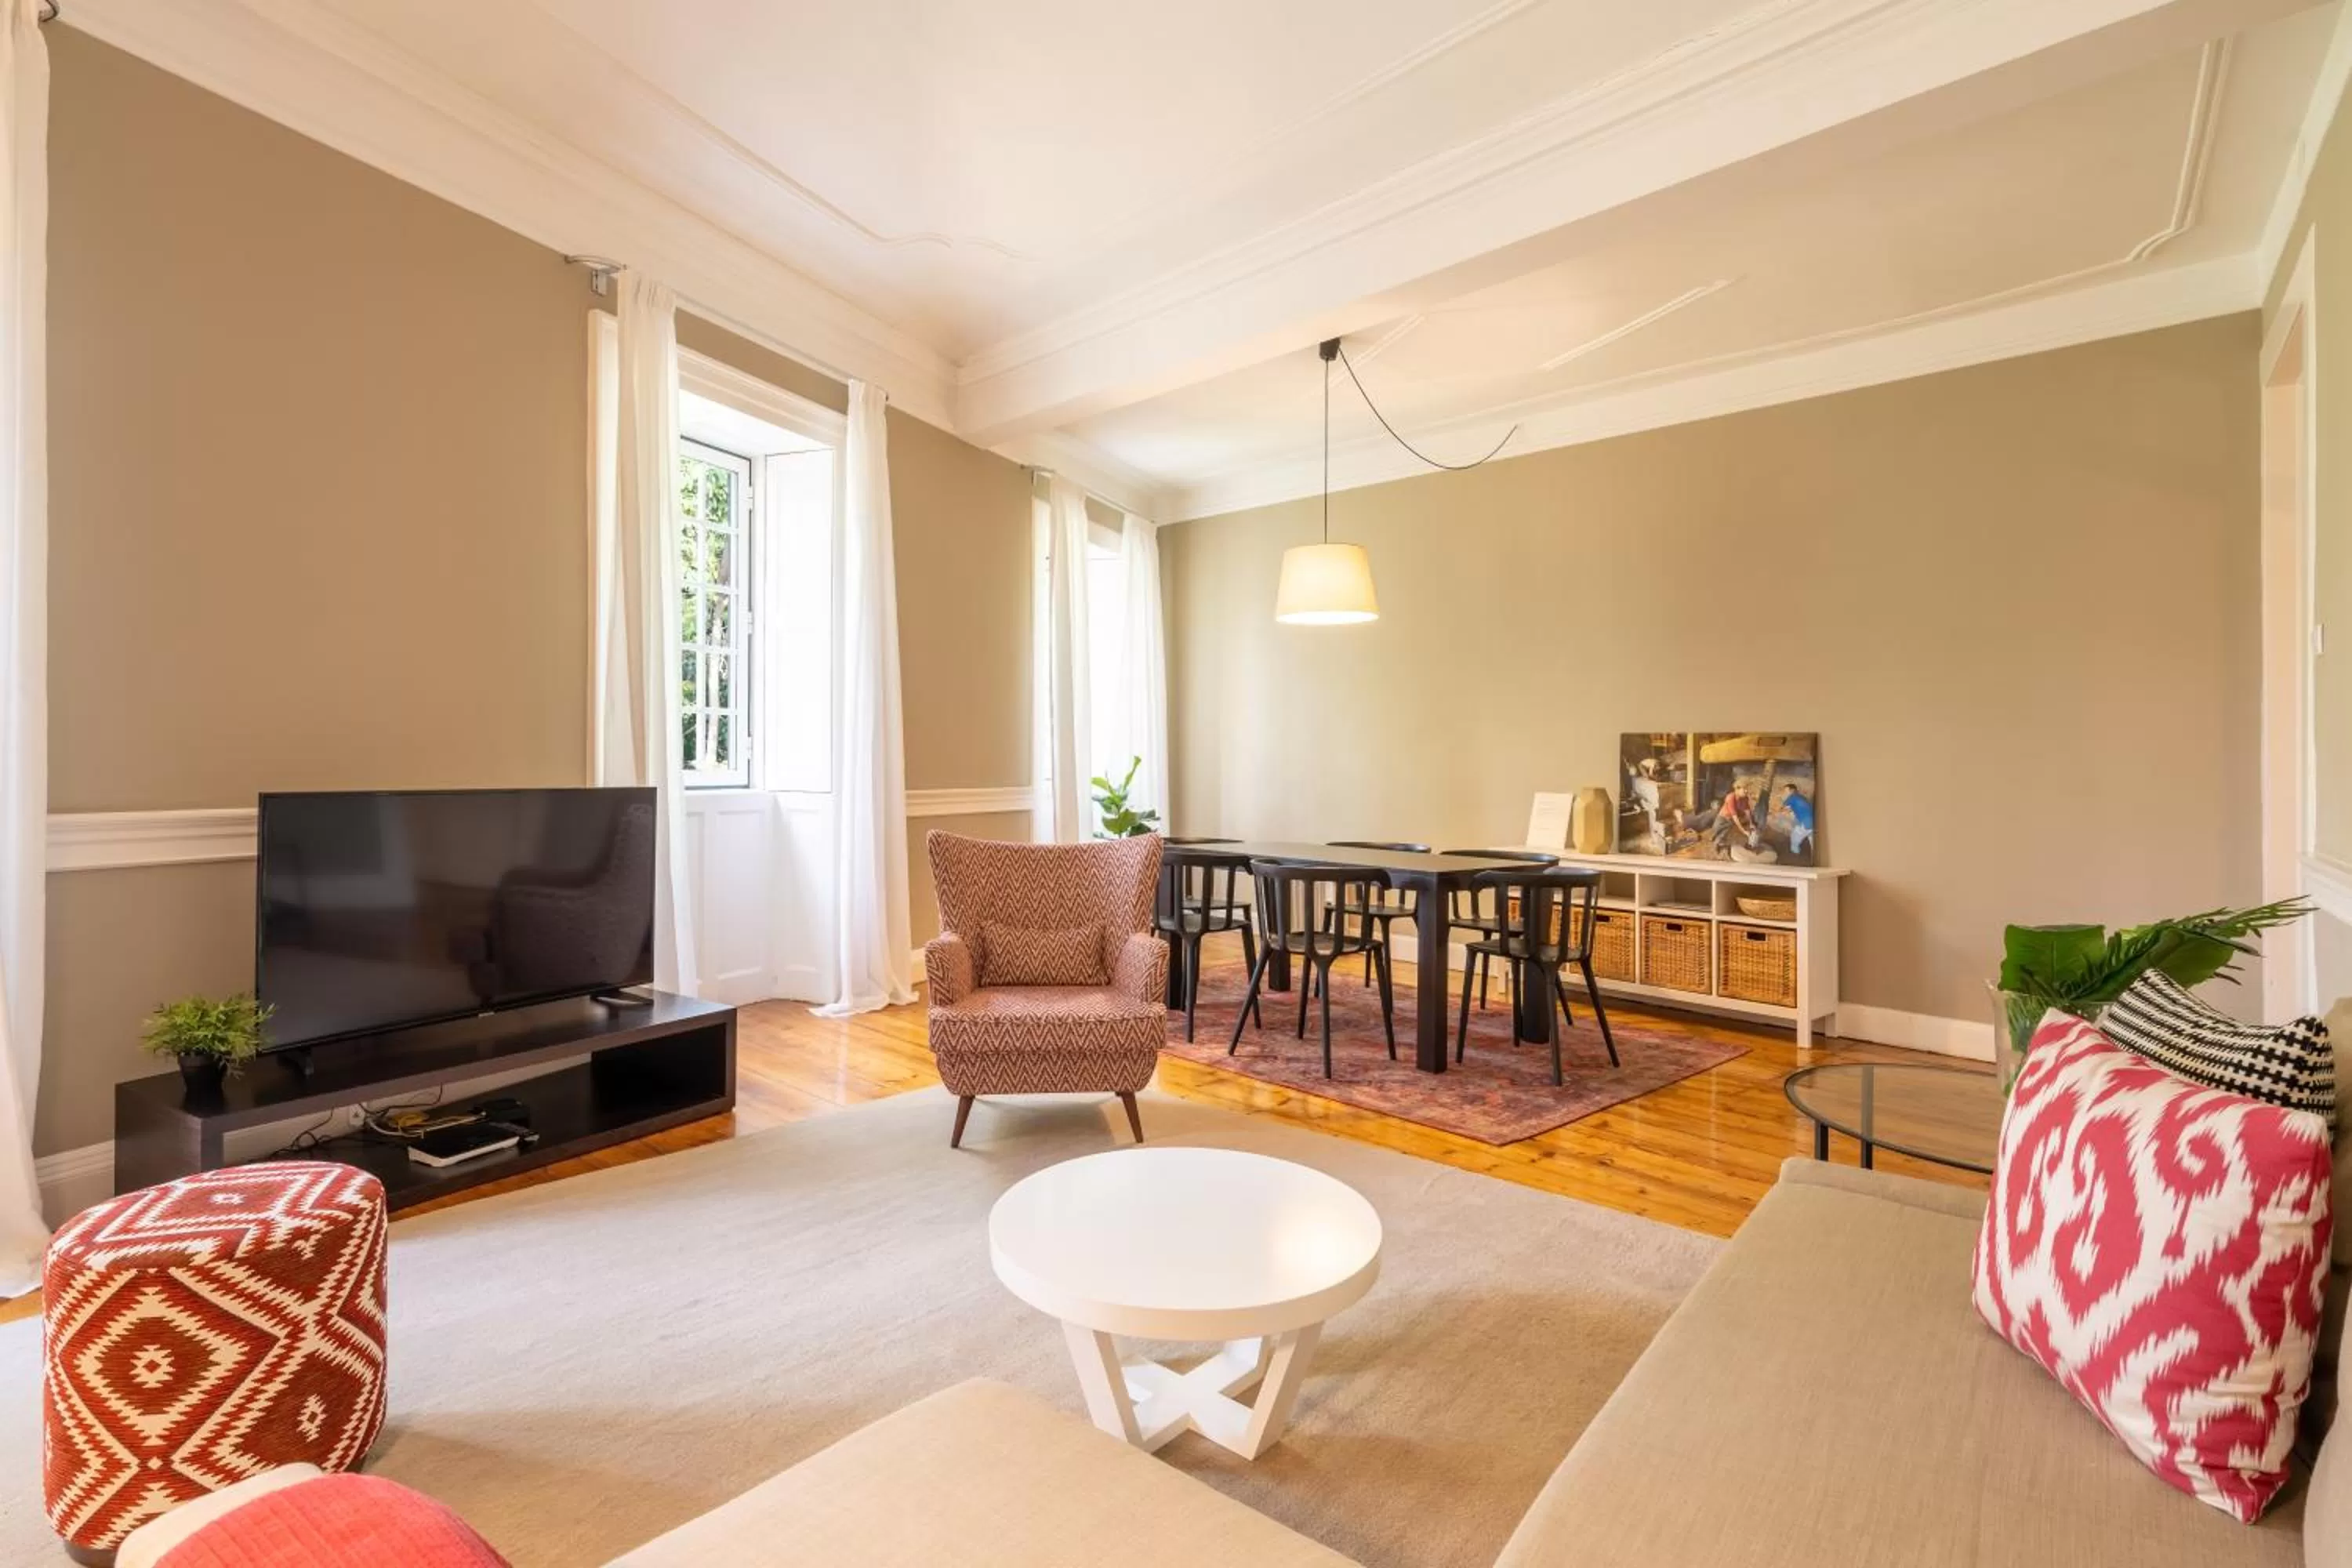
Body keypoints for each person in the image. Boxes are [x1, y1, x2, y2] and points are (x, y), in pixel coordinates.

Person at [1776, 782, 1814, 858]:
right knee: (1813, 843)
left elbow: (1782, 809)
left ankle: (1795, 855)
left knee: (1794, 840)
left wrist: (1781, 798)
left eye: (1786, 791)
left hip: (1805, 825)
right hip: (1812, 823)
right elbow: (1791, 810)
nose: (1784, 793)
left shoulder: (1791, 798)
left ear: (1793, 791)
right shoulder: (1801, 798)